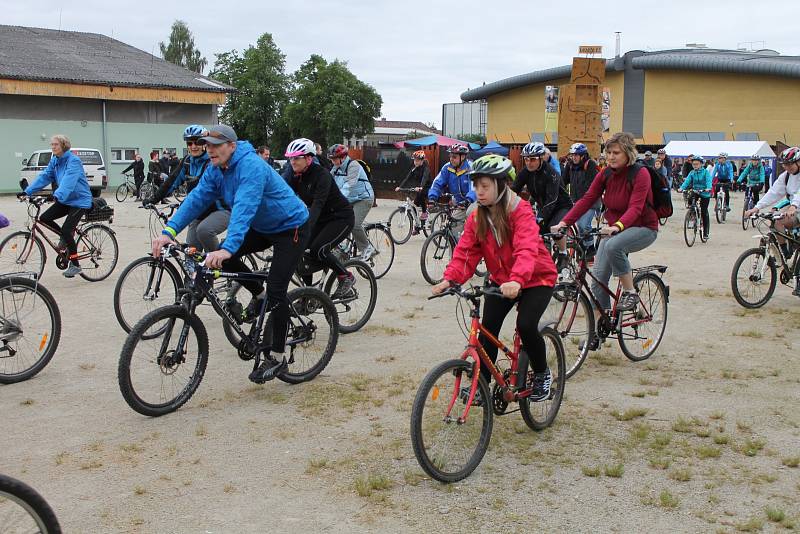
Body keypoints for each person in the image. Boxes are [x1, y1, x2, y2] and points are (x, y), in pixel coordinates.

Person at [151, 124, 310, 383]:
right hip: (262, 226)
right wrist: (169, 231)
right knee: (222, 258)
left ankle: (278, 357)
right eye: (207, 145)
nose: (209, 149)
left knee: (278, 290)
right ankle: (259, 295)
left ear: (232, 146)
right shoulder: (216, 169)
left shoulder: (251, 167)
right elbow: (196, 199)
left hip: (290, 227)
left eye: (215, 145)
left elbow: (244, 209)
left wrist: (227, 247)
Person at [431, 155, 557, 401]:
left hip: (535, 278)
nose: (479, 191)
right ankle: (481, 385)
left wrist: (518, 279)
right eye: (475, 186)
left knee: (527, 325)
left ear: (501, 185)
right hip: (501, 280)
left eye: (485, 186)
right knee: (487, 331)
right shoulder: (477, 216)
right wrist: (450, 279)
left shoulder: (520, 211)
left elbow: (526, 249)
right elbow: (466, 252)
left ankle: (542, 374)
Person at [552, 132, 658, 348]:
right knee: (598, 281)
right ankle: (599, 331)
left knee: (613, 245)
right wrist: (564, 222)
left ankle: (630, 293)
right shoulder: (605, 174)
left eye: (616, 152)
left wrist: (617, 227)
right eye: (608, 152)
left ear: (628, 153)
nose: (610, 157)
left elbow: (636, 207)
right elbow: (587, 199)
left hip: (643, 227)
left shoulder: (640, 174)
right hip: (613, 230)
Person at [285, 138, 356, 297]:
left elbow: (317, 205)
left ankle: (346, 276)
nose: (292, 161)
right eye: (290, 158)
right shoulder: (295, 174)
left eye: (296, 158)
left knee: (318, 249)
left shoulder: (322, 175)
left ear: (309, 158)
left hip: (340, 218)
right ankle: (308, 294)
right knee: (300, 251)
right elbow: (281, 194)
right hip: (323, 219)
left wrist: (305, 230)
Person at [20, 134, 92, 278]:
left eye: (55, 145)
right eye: (51, 144)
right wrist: (27, 192)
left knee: (66, 229)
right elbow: (45, 176)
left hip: (80, 200)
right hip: (66, 200)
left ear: (63, 145)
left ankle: (75, 264)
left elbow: (68, 182)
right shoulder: (55, 161)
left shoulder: (74, 161)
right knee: (44, 218)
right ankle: (65, 239)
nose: (52, 147)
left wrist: (56, 195)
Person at [150, 125, 230, 253]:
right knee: (191, 253)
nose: (193, 146)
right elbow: (172, 181)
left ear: (204, 143)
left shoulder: (211, 163)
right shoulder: (187, 161)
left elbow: (202, 194)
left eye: (197, 142)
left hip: (220, 209)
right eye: (190, 143)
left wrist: (185, 204)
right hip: (198, 213)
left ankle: (222, 262)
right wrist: (154, 199)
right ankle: (197, 272)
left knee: (204, 231)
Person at [745, 146, 800, 295]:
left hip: (797, 208)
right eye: (784, 164)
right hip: (793, 209)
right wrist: (756, 208)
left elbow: (798, 195)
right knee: (776, 221)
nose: (787, 167)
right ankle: (785, 251)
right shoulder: (786, 177)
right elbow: (773, 192)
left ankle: (798, 278)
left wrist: (793, 206)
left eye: (790, 164)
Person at [512, 142, 571, 277]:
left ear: (540, 158)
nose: (529, 163)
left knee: (554, 229)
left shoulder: (551, 173)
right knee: (535, 235)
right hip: (544, 206)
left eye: (532, 159)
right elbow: (513, 191)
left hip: (561, 206)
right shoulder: (525, 172)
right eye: (526, 159)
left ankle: (563, 254)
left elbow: (552, 200)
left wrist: (539, 218)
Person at [329, 144, 376, 261]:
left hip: (364, 198)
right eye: (331, 159)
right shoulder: (336, 168)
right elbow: (328, 183)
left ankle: (367, 248)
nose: (333, 161)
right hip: (349, 200)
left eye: (334, 158)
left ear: (343, 157)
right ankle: (344, 248)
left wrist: (336, 201)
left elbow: (348, 186)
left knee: (354, 224)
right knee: (335, 220)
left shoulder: (353, 166)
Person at [428, 143, 476, 236]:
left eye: (454, 157)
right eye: (450, 156)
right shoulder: (447, 167)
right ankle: (455, 248)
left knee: (471, 215)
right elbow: (437, 183)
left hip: (473, 201)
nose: (451, 159)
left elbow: (474, 187)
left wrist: (468, 200)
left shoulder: (471, 167)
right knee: (453, 225)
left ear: (463, 157)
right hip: (460, 203)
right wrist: (432, 198)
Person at [561, 143, 600, 251]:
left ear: (583, 155)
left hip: (591, 202)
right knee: (574, 228)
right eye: (572, 155)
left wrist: (582, 202)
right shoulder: (570, 165)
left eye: (576, 155)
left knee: (583, 225)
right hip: (576, 201)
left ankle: (590, 247)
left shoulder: (590, 164)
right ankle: (582, 251)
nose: (573, 157)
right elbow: (563, 182)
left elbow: (591, 186)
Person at [395, 150, 432, 231]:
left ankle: (424, 212)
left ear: (422, 160)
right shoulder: (414, 168)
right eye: (414, 160)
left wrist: (421, 187)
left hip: (427, 187)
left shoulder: (426, 168)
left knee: (421, 194)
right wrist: (400, 187)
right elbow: (407, 178)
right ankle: (417, 225)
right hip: (419, 187)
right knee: (414, 205)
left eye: (417, 160)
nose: (415, 162)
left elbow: (424, 178)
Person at [678, 156, 712, 240]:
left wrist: (708, 188)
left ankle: (706, 232)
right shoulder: (692, 172)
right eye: (693, 164)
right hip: (695, 191)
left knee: (704, 211)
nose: (695, 166)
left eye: (697, 164)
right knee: (690, 199)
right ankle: (692, 215)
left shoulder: (705, 172)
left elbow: (708, 181)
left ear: (701, 164)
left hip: (704, 193)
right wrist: (681, 188)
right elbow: (687, 181)